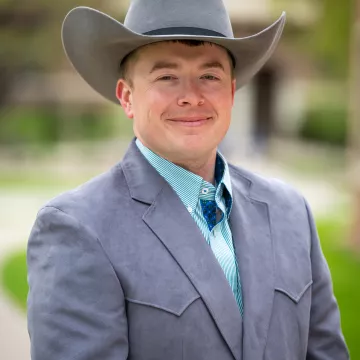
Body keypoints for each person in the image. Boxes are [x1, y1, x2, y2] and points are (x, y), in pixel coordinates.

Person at [26, 0, 349, 359]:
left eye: (209, 76)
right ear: (127, 97)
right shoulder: (77, 229)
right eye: (167, 77)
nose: (192, 97)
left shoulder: (292, 214)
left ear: (230, 92)